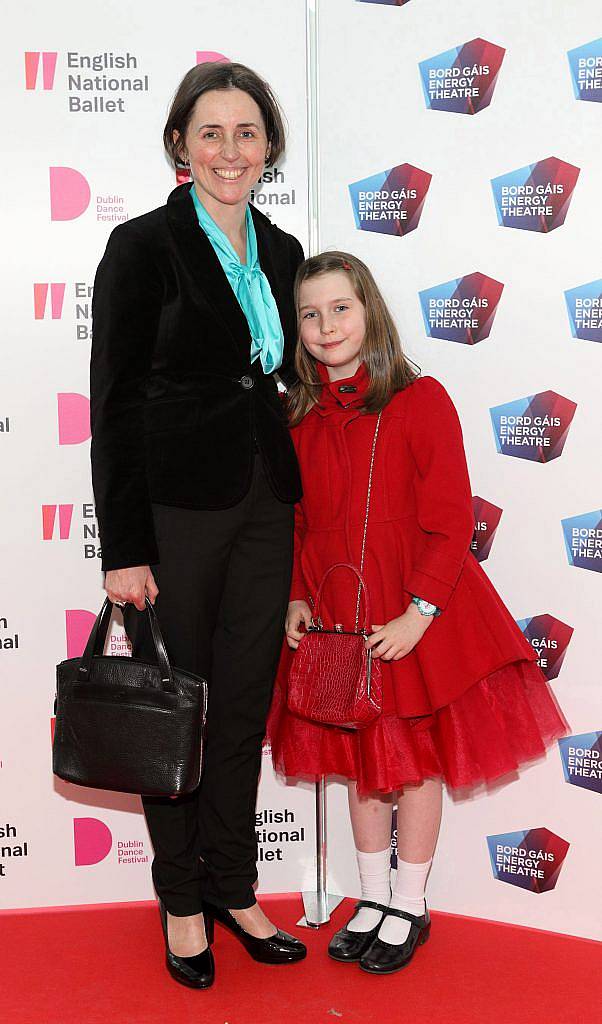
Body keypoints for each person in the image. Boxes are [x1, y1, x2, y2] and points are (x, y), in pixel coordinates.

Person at [268, 251, 567, 975]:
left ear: (368, 310)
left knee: (412, 766)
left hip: (412, 614)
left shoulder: (419, 398)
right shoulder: (298, 417)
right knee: (354, 759)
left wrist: (420, 612)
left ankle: (410, 902)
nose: (325, 325)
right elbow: (300, 524)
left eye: (340, 308)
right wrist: (297, 595)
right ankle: (370, 897)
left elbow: (450, 518)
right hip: (338, 613)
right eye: (310, 314)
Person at [90, 62, 307, 989]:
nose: (230, 150)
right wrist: (126, 550)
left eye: (247, 132)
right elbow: (114, 404)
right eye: (210, 132)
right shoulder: (142, 247)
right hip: (175, 512)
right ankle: (181, 898)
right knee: (176, 709)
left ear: (269, 149)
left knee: (243, 707)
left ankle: (234, 883)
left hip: (267, 505)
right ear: (181, 144)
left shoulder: (288, 251)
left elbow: (290, 380)